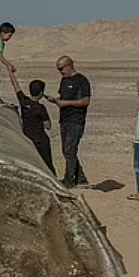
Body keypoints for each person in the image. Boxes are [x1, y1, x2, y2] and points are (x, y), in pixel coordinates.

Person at [46, 55, 92, 188]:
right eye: (58, 69)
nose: (60, 71)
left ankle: (69, 180)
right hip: (64, 119)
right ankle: (81, 179)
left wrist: (65, 103)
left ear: (69, 65)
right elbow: (63, 98)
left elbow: (85, 101)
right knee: (67, 151)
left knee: (69, 150)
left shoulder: (81, 81)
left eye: (61, 68)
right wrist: (56, 100)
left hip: (76, 120)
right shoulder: (64, 81)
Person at [4, 64, 56, 175]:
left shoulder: (24, 102)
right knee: (47, 164)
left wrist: (10, 72)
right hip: (40, 140)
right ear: (41, 93)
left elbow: (16, 86)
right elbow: (48, 126)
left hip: (28, 138)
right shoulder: (40, 108)